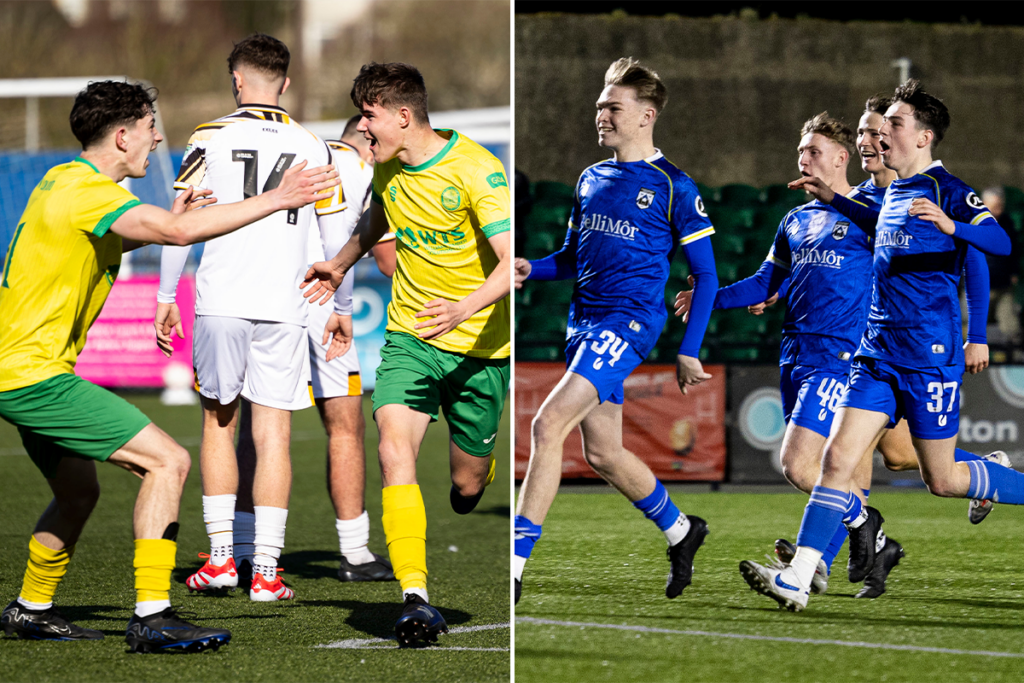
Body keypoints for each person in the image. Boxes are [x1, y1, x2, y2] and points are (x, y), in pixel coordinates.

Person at [0, 79, 336, 650]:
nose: (158, 140)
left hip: (21, 370)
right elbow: (176, 232)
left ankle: (29, 608)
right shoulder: (89, 193)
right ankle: (152, 616)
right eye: (152, 129)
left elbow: (112, 237)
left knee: (78, 493)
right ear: (124, 134)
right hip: (32, 375)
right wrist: (279, 198)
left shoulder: (63, 181)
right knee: (168, 462)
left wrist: (172, 217)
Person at [738, 80, 1017, 613]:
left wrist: (953, 224)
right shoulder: (891, 193)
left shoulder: (948, 191)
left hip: (928, 356)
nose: (882, 132)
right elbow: (876, 225)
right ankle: (798, 576)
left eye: (893, 124)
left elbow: (997, 243)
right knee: (837, 461)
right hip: (875, 353)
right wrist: (835, 199)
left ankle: (989, 478)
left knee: (941, 478)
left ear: (923, 135)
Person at [301, 62, 511, 647]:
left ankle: (478, 473)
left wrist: (464, 308)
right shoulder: (386, 168)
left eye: (369, 116)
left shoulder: (476, 169)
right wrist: (340, 262)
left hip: (480, 351)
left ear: (402, 115)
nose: (362, 128)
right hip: (410, 342)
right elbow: (377, 219)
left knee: (467, 489)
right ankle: (415, 597)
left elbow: (508, 260)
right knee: (394, 452)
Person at [511, 58, 718, 608]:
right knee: (602, 451)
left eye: (612, 106)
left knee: (546, 423)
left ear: (646, 115)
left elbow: (707, 274)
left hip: (628, 323)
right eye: (601, 104)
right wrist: (535, 267)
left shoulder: (674, 185)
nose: (600, 113)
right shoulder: (591, 178)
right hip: (584, 323)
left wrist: (689, 348)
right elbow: (572, 257)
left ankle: (513, 564)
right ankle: (681, 531)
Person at [157, 114, 398, 586]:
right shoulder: (348, 165)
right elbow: (381, 258)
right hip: (319, 296)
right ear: (366, 141)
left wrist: (167, 295)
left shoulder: (259, 142)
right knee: (341, 426)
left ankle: (237, 553)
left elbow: (183, 215)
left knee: (240, 421)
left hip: (260, 291)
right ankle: (353, 550)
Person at [154, 33, 340, 602]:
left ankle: (219, 562)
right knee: (275, 434)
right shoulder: (314, 145)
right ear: (285, 82)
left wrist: (165, 295)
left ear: (237, 81)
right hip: (286, 303)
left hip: (222, 299)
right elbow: (332, 242)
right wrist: (336, 305)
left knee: (218, 423)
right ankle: (265, 571)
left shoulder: (210, 136)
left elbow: (181, 219)